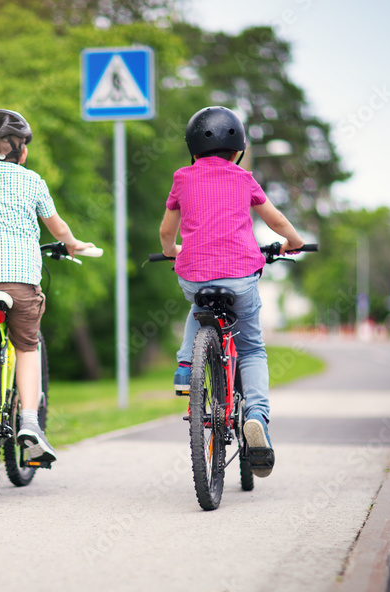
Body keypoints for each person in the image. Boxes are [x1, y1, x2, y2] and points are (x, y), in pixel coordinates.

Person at [0, 109, 95, 463]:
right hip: (21, 282)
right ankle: (29, 422)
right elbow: (57, 228)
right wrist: (74, 244)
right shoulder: (33, 181)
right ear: (22, 152)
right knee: (26, 346)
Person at [158, 106, 305, 478]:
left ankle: (185, 367)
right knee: (252, 348)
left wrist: (171, 251)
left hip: (193, 273)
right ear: (237, 147)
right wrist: (293, 241)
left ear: (193, 146)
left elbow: (165, 232)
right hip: (240, 275)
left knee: (198, 304)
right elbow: (275, 220)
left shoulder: (182, 178)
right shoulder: (243, 178)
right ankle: (256, 416)